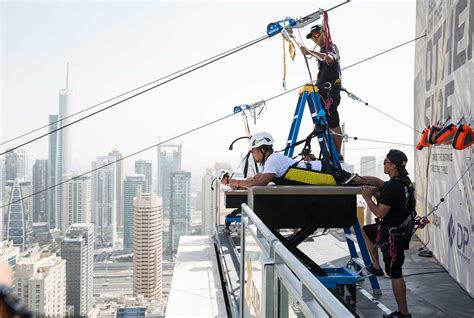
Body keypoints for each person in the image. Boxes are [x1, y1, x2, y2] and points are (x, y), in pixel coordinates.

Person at [356, 149, 414, 318]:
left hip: (392, 237)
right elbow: (381, 184)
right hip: (400, 232)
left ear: (394, 165)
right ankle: (376, 266)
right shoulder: (404, 182)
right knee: (367, 231)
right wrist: (361, 179)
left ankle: (404, 314)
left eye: (386, 162)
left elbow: (380, 213)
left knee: (395, 273)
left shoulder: (393, 187)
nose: (384, 164)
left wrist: (367, 197)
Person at [220, 132, 323, 189]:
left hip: (322, 171)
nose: (252, 153)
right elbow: (255, 179)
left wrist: (237, 182)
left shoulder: (273, 159)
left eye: (253, 150)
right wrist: (237, 184)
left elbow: (260, 183)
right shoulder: (267, 162)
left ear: (262, 149)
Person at [300, 24, 343, 159]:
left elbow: (329, 58)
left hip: (330, 93)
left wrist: (309, 52)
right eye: (312, 37)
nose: (314, 38)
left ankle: (336, 154)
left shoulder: (330, 47)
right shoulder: (323, 49)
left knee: (332, 121)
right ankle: (327, 152)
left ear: (324, 33)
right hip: (322, 91)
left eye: (317, 35)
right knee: (321, 121)